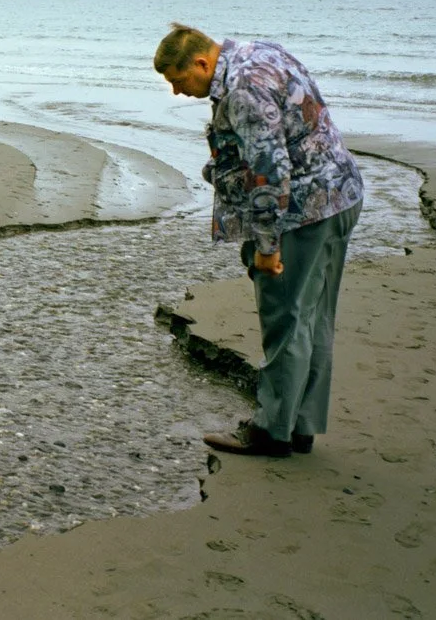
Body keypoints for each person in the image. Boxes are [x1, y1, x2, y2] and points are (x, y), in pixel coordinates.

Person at [154, 23, 364, 457]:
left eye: (178, 81)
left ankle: (272, 431)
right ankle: (298, 425)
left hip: (303, 212)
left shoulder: (242, 88)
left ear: (200, 62)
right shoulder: (257, 51)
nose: (177, 92)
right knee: (313, 317)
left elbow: (269, 173)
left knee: (285, 319)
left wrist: (268, 248)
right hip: (340, 194)